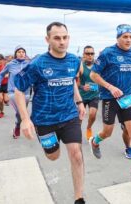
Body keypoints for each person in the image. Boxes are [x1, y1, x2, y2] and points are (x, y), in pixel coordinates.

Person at [14, 22, 86, 204]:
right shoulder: (38, 63)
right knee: (53, 157)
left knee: (76, 154)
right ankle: (51, 148)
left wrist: (79, 101)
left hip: (69, 115)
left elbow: (71, 82)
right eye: (57, 38)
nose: (62, 42)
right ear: (48, 39)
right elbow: (19, 89)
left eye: (65, 37)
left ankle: (79, 198)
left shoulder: (74, 61)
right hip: (44, 119)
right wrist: (24, 119)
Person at [89, 24, 131, 188]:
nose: (128, 40)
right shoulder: (108, 53)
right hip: (110, 98)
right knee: (107, 132)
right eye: (125, 37)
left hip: (127, 99)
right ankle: (95, 141)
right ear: (118, 38)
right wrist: (110, 87)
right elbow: (94, 74)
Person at [0, 45, 31, 139]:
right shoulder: (10, 64)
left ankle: (17, 125)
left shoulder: (29, 64)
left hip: (26, 93)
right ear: (16, 54)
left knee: (21, 112)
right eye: (19, 52)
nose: (21, 53)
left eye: (23, 52)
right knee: (21, 111)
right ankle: (18, 127)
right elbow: (1, 74)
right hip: (13, 92)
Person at [78, 45, 99, 141]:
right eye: (87, 53)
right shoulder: (80, 65)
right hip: (82, 95)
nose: (90, 55)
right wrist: (82, 86)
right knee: (80, 117)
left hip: (94, 95)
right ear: (83, 55)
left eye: (92, 53)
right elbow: (76, 83)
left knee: (92, 114)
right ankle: (77, 132)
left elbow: (103, 79)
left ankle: (89, 127)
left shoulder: (98, 66)